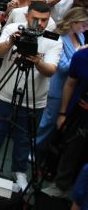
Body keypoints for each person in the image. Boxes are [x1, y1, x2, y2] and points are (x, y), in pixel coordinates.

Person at [0, 1, 62, 191]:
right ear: (27, 16)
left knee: (24, 138)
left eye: (44, 20)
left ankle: (19, 170)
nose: (40, 23)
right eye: (36, 19)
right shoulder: (13, 29)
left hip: (34, 100)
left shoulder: (53, 39)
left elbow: (50, 71)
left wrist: (37, 61)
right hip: (4, 93)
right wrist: (11, 41)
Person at [35, 7, 88, 154]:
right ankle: (34, 148)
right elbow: (63, 66)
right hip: (57, 87)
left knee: (58, 123)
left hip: (72, 87)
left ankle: (44, 148)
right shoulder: (57, 38)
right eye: (83, 25)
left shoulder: (80, 36)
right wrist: (80, 53)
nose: (86, 29)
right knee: (49, 121)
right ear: (72, 23)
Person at [42, 46, 88, 199]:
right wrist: (62, 114)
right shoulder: (81, 56)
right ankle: (60, 186)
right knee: (70, 152)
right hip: (79, 113)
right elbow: (70, 84)